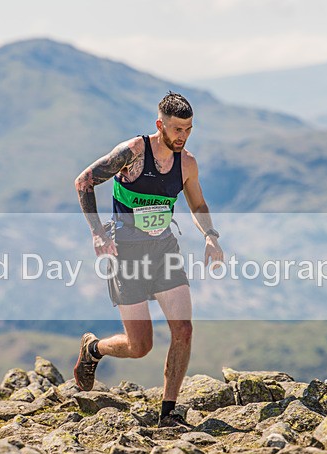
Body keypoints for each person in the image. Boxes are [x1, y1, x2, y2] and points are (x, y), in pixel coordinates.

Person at [73, 91, 223, 428]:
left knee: (183, 330)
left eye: (188, 129)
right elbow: (84, 181)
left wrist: (210, 236)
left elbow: (198, 205)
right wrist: (97, 231)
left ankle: (168, 413)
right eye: (176, 129)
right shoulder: (134, 153)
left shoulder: (187, 164)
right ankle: (94, 348)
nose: (182, 136)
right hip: (126, 253)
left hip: (164, 251)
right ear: (160, 125)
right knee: (140, 345)